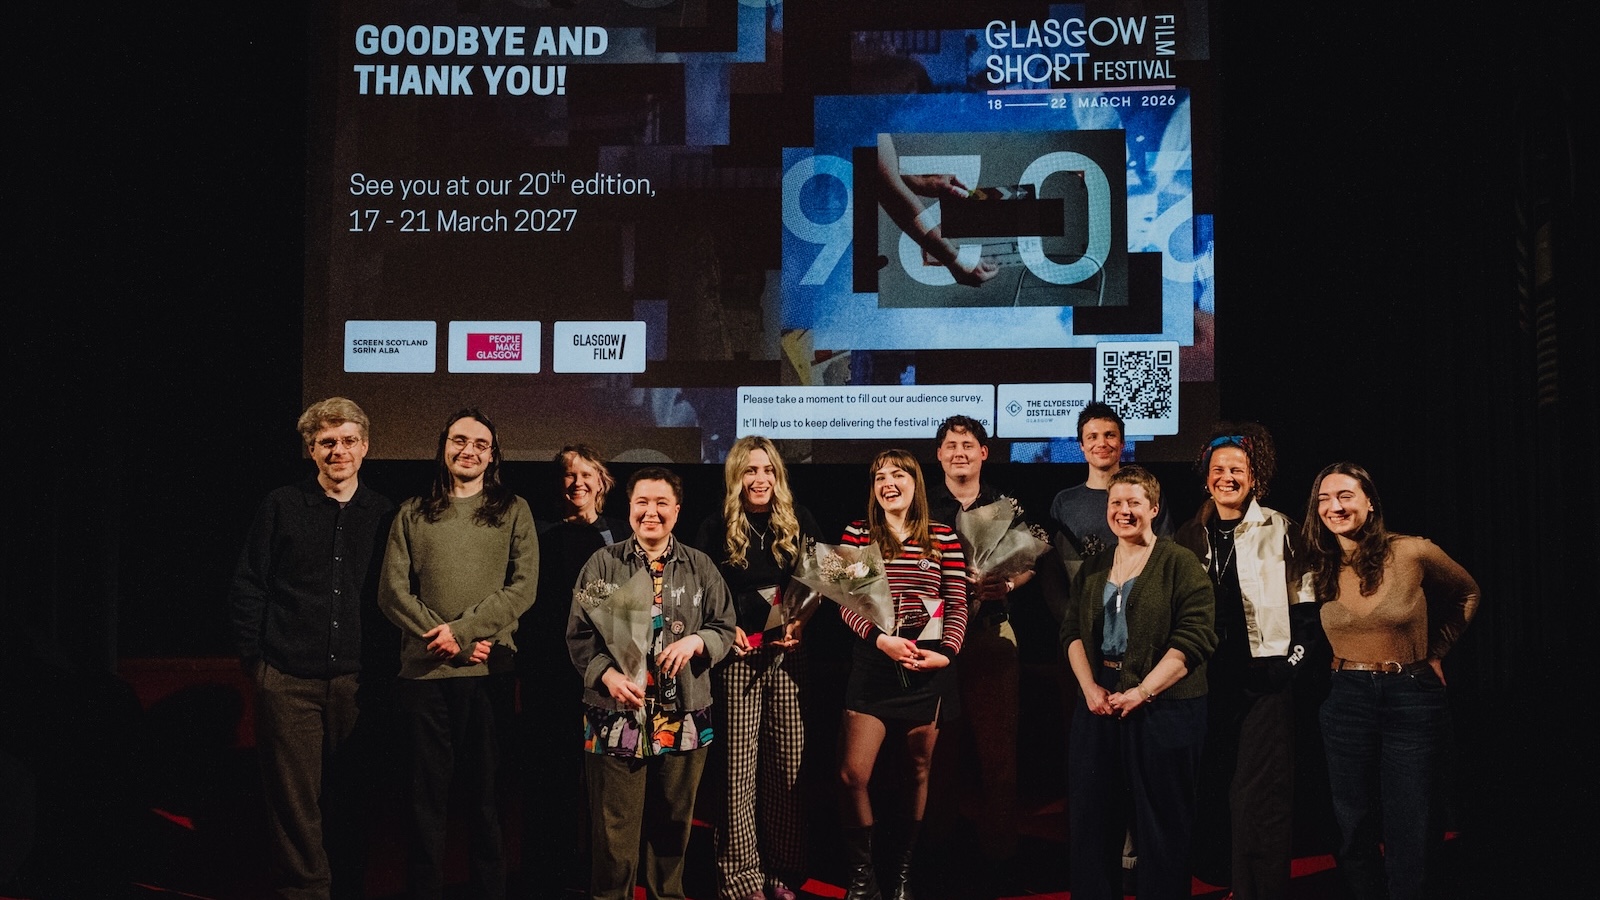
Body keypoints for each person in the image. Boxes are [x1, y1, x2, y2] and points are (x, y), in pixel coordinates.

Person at [229, 397, 394, 900]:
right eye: (327, 442)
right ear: (311, 449)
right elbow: (250, 584)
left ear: (365, 447)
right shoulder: (280, 505)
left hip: (358, 683)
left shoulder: (386, 513)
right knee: (293, 803)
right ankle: (305, 892)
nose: (338, 451)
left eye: (348, 441)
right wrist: (257, 664)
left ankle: (348, 887)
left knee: (353, 795)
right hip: (287, 680)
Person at [379, 409, 538, 900]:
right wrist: (450, 639)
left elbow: (523, 588)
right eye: (459, 440)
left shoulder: (513, 510)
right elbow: (391, 593)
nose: (468, 450)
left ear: (493, 455)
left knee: (487, 802)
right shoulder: (411, 511)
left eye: (480, 444)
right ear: (443, 446)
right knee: (424, 804)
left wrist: (466, 634)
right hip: (424, 679)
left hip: (488, 675)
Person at [1302, 463, 1480, 900]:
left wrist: (1436, 652)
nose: (1334, 507)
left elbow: (1467, 593)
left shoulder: (1412, 551)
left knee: (1411, 818)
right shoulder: (1316, 562)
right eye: (1324, 499)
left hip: (1410, 695)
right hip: (1345, 697)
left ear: (1369, 502)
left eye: (1345, 495)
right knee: (1352, 820)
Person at [567, 466, 737, 900]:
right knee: (614, 832)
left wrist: (698, 641)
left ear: (677, 511)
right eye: (642, 502)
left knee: (672, 828)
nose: (651, 512)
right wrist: (606, 674)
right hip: (615, 714)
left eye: (662, 503)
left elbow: (724, 626)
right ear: (629, 507)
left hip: (685, 714)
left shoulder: (700, 566)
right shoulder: (603, 564)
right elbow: (580, 635)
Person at [1060, 465, 1216, 900]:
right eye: (1116, 503)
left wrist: (1144, 691)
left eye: (1134, 502)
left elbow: (1196, 638)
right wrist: (1090, 688)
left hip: (1166, 705)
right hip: (1099, 702)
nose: (1123, 511)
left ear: (1154, 508)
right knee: (1092, 823)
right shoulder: (1094, 567)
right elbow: (1071, 631)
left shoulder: (1180, 563)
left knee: (1162, 826)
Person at [1175, 425, 1315, 899]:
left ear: (1255, 478)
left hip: (1263, 683)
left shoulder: (1282, 529)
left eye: (1237, 469)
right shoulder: (1187, 534)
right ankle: (1226, 880)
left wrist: (1286, 668)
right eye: (1218, 469)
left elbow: (1309, 614)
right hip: (1204, 682)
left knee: (1260, 797)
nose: (1227, 477)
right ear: (1206, 477)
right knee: (1215, 786)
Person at [836, 449, 970, 900]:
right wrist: (880, 640)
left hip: (926, 666)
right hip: (875, 664)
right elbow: (846, 602)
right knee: (853, 775)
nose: (888, 483)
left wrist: (946, 654)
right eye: (880, 477)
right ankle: (863, 879)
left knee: (917, 770)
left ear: (916, 482)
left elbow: (958, 602)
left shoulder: (943, 536)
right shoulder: (858, 534)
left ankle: (902, 876)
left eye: (898, 474)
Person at [694, 436, 822, 900]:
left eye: (768, 470)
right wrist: (725, 630)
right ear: (736, 476)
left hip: (788, 654)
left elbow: (819, 583)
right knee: (737, 771)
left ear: (778, 475)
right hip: (736, 658)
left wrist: (802, 622)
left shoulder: (799, 519)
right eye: (750, 470)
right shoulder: (715, 525)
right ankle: (741, 877)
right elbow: (699, 591)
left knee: (788, 763)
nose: (760, 478)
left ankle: (783, 871)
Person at [923, 415, 1033, 891]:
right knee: (937, 751)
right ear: (939, 455)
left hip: (992, 633)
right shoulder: (923, 503)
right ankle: (936, 848)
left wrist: (1006, 583)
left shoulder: (1004, 504)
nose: (959, 452)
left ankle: (1000, 855)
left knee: (998, 752)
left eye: (968, 444)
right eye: (951, 445)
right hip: (935, 638)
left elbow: (1029, 561)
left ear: (984, 453)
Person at [517, 445, 630, 895]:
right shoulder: (538, 532)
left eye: (587, 474)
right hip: (550, 674)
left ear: (602, 482)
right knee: (550, 778)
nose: (577, 482)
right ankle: (550, 874)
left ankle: (600, 875)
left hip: (608, 676)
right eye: (568, 474)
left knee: (605, 784)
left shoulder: (622, 533)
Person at [1050, 402, 1172, 556]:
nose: (1102, 443)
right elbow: (1055, 559)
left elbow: (1165, 551)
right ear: (1082, 445)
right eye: (1092, 437)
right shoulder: (1064, 502)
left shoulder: (1146, 493)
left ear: (1122, 443)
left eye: (1110, 435)